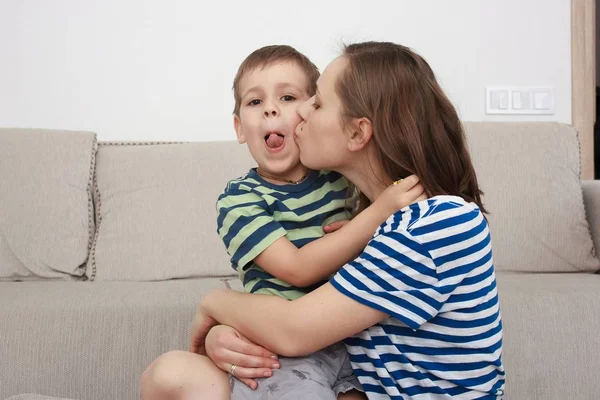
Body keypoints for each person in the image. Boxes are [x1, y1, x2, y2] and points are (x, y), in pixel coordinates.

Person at [140, 44, 425, 400]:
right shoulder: (240, 198)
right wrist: (373, 216)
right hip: (284, 352)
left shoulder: (341, 179)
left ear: (310, 115)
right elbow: (297, 269)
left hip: (353, 343)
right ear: (239, 127)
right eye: (255, 102)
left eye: (288, 97)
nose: (271, 108)